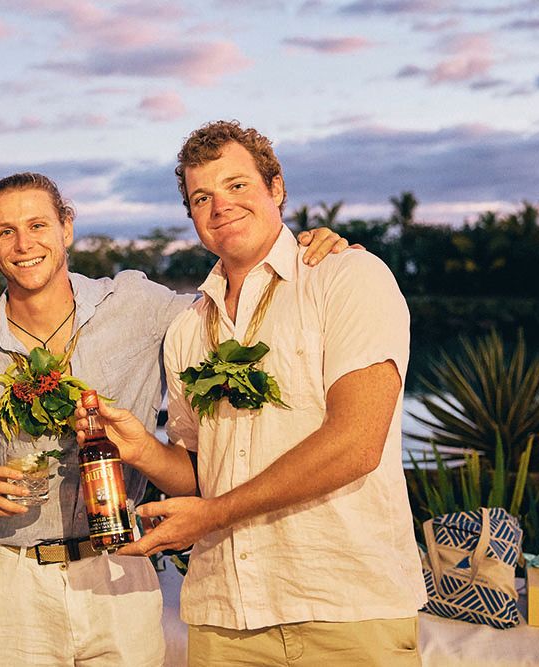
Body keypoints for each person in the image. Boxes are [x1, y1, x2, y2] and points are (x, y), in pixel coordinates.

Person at [0, 172, 349, 665]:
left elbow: (233, 306)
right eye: (5, 231)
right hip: (18, 578)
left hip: (121, 565)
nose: (24, 243)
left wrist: (298, 249)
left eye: (38, 225)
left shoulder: (135, 304)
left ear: (66, 228)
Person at [79, 120, 426, 666]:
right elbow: (201, 469)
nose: (220, 207)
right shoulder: (189, 329)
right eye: (202, 197)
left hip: (345, 608)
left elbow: (358, 442)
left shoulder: (347, 278)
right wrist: (142, 449)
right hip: (225, 618)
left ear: (277, 188)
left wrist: (212, 515)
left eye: (237, 185)